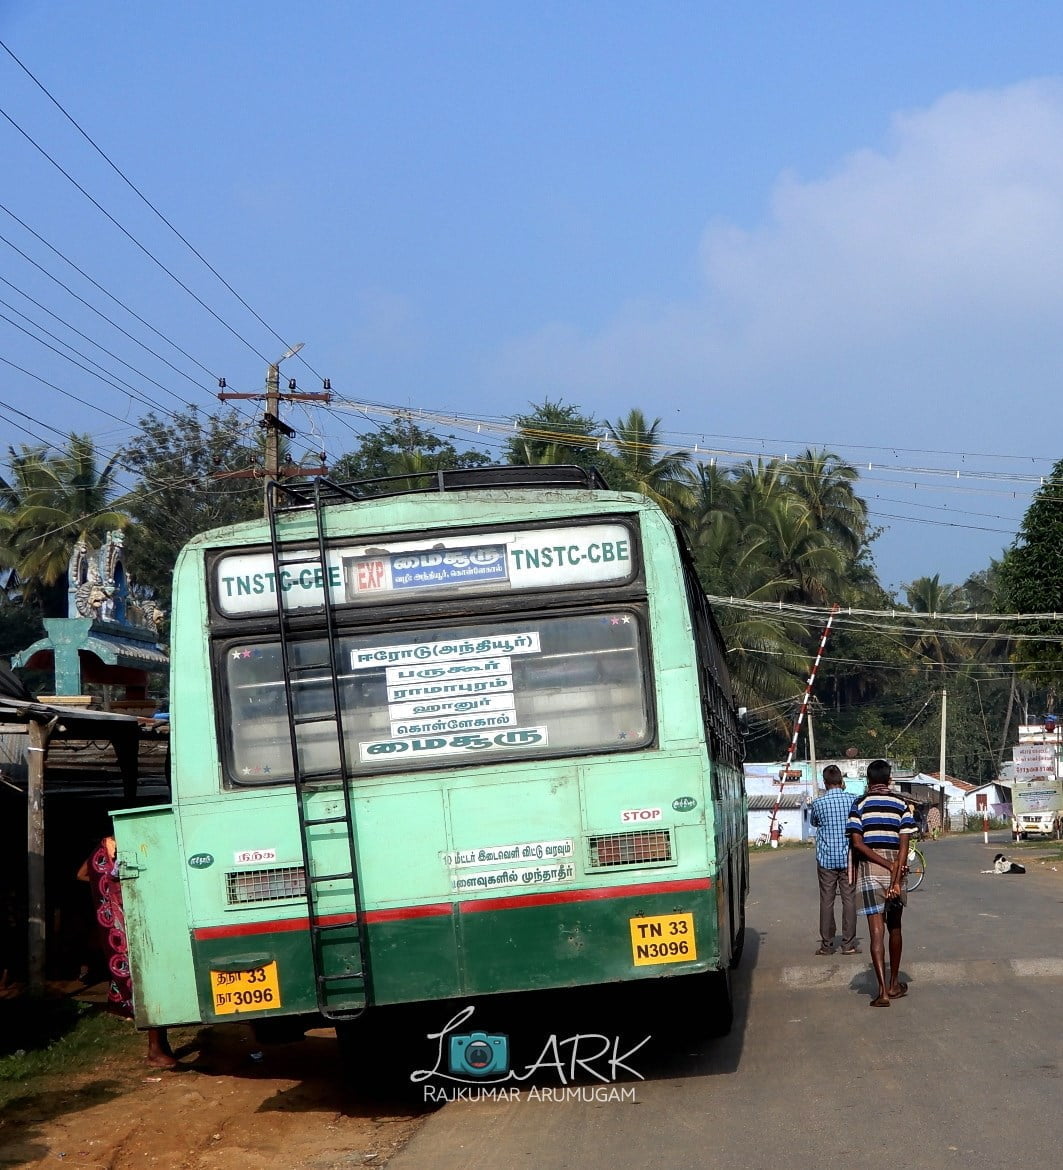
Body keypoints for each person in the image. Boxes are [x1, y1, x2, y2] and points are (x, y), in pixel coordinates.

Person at [78, 835, 181, 1068]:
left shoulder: (104, 850)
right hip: (129, 924)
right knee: (147, 981)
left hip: (125, 922)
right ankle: (155, 1050)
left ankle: (160, 1045)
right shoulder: (123, 847)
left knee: (150, 979)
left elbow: (82, 874)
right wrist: (115, 887)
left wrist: (106, 885)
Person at [846, 759, 918, 1007]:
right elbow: (904, 846)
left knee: (876, 932)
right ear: (889, 780)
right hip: (897, 870)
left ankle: (882, 992)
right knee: (895, 928)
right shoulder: (901, 805)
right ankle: (894, 982)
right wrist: (895, 875)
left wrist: (884, 864)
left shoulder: (859, 805)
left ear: (868, 781)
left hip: (870, 869)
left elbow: (857, 843)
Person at [809, 764, 859, 956]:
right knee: (849, 900)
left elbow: (814, 822)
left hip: (826, 859)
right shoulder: (853, 800)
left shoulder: (818, 803)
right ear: (841, 780)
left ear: (825, 782)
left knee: (827, 900)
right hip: (849, 859)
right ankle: (848, 944)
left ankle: (827, 945)